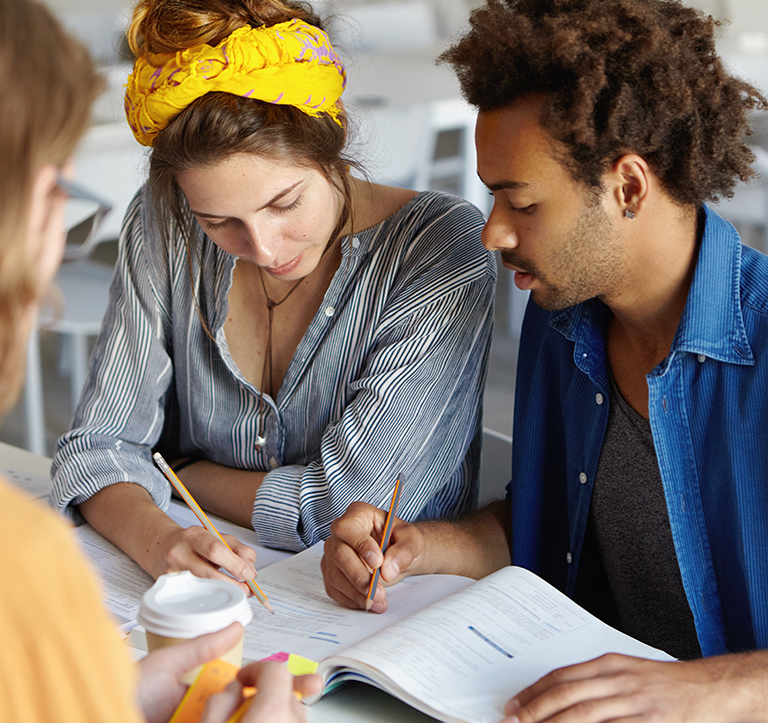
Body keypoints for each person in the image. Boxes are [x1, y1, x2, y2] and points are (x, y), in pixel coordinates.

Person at [321, 0, 768, 720]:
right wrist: (418, 546)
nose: (492, 231)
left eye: (519, 202)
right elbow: (549, 527)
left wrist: (704, 688)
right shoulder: (563, 322)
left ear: (627, 186)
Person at [49, 0, 495, 592]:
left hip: (388, 609)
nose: (261, 247)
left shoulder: (437, 251)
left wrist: (179, 469)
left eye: (284, 204)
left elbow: (351, 510)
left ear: (331, 141)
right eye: (217, 221)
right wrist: (162, 543)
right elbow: (95, 448)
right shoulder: (165, 224)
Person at [0, 0, 319, 720]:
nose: (264, 252)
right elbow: (96, 450)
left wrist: (109, 700)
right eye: (59, 190)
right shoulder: (27, 571)